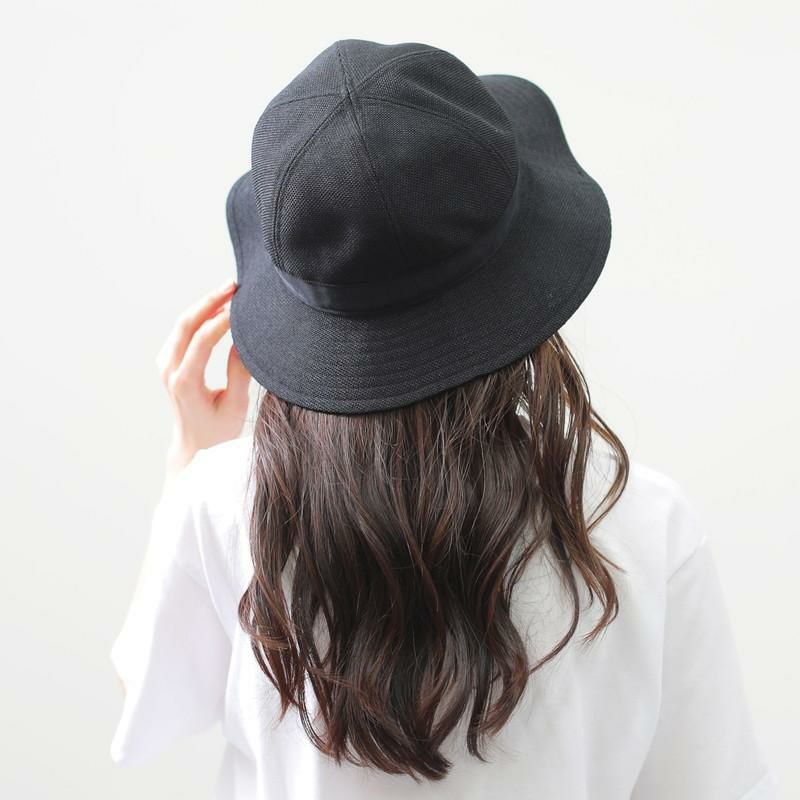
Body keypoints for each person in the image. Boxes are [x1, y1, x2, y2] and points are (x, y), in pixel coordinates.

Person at [109, 39, 778, 799]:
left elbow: (149, 693)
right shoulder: (641, 524)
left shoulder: (224, 506)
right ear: (520, 272)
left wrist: (190, 458)